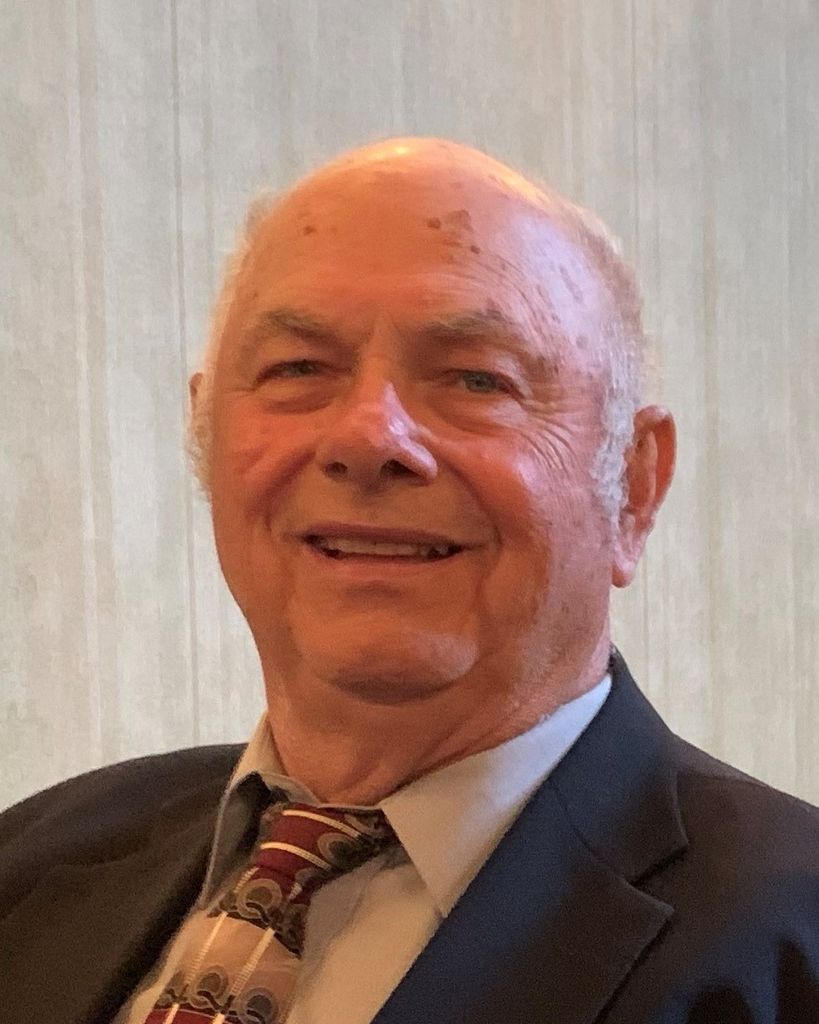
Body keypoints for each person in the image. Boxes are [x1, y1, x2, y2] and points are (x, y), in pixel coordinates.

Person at [0, 138, 817, 1024]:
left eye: (475, 379)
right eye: (298, 370)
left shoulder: (788, 948)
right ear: (205, 433)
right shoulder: (32, 862)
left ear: (633, 485)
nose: (366, 437)